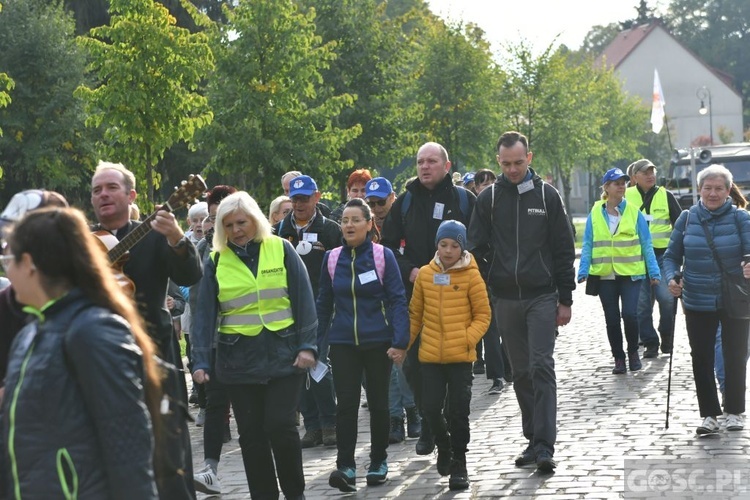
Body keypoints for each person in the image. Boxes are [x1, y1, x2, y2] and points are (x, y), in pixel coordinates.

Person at [1, 207, 161, 499]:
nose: (6, 271)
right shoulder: (30, 334)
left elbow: (128, 444)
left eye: (7, 260)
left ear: (29, 263)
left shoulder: (92, 331)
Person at [191, 191, 317, 500]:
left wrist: (308, 347)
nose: (236, 230)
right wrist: (201, 362)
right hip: (238, 362)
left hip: (284, 355)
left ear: (255, 221)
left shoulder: (282, 249)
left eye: (242, 222)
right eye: (229, 224)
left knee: (281, 426)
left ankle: (294, 493)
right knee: (251, 436)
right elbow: (204, 315)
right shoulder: (216, 260)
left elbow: (304, 300)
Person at [90, 160, 202, 498]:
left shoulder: (155, 234)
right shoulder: (83, 241)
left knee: (169, 444)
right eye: (97, 190)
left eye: (111, 187)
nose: (103, 195)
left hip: (155, 353)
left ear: (131, 194)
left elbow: (189, 277)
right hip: (102, 356)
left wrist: (176, 238)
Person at [467, 131, 575, 472]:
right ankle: (532, 439)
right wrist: (491, 280)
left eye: (518, 162)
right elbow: (475, 245)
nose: (512, 169)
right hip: (506, 299)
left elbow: (562, 248)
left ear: (529, 158)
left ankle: (545, 444)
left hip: (542, 296)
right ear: (498, 161)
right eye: (505, 164)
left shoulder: (547, 196)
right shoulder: (489, 199)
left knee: (542, 366)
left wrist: (565, 298)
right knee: (521, 371)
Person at [381, 141, 476, 456]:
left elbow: (479, 245)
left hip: (457, 301)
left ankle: (444, 422)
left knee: (451, 370)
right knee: (416, 366)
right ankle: (430, 420)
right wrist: (409, 271)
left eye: (432, 161)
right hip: (416, 299)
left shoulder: (464, 200)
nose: (424, 167)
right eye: (420, 162)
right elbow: (389, 247)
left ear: (446, 166)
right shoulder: (405, 203)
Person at [317, 198, 409, 492]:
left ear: (369, 224)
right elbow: (323, 305)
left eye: (356, 219)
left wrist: (399, 340)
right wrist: (314, 345)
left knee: (379, 404)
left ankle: (378, 461)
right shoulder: (331, 259)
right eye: (344, 220)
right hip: (342, 342)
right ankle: (345, 466)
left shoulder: (383, 256)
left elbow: (397, 300)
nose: (348, 225)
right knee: (346, 405)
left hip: (377, 341)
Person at [663, 164, 750, 435]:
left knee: (735, 354)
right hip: (697, 298)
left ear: (728, 191)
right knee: (701, 357)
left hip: (734, 297)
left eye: (719, 188)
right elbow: (670, 256)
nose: (713, 194)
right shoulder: (687, 218)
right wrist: (671, 278)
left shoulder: (740, 219)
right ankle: (709, 415)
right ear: (699, 189)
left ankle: (734, 411)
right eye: (708, 188)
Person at [408, 220, 491, 490]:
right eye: (443, 244)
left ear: (462, 247)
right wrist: (403, 346)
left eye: (454, 245)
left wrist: (466, 338)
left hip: (460, 359)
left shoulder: (471, 275)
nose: (448, 250)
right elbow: (415, 315)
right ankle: (443, 446)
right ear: (436, 245)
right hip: (430, 357)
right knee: (430, 408)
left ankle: (459, 462)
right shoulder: (424, 274)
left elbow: (483, 315)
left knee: (458, 411)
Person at [274, 174, 341, 449]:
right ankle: (312, 426)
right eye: (295, 199)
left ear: (317, 197)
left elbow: (340, 266)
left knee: (320, 365)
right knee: (298, 368)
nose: (299, 204)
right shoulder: (279, 231)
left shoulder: (331, 230)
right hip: (290, 310)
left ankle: (330, 423)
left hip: (323, 308)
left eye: (304, 198)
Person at [578, 168, 661, 374]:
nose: (621, 186)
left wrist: (654, 272)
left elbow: (646, 243)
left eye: (624, 182)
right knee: (612, 318)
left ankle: (633, 352)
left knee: (630, 315)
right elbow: (588, 242)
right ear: (606, 187)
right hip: (605, 274)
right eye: (616, 183)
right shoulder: (596, 212)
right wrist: (583, 269)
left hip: (631, 274)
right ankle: (618, 358)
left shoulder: (634, 212)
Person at [190, 185, 237, 495]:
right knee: (215, 405)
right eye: (212, 218)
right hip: (219, 344)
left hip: (255, 346)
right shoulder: (207, 251)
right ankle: (210, 469)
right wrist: (200, 354)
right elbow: (199, 303)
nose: (214, 224)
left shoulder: (269, 248)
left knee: (260, 416)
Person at [365, 177, 420, 442]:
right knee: (386, 363)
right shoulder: (365, 227)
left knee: (404, 361)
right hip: (376, 302)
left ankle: (412, 412)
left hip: (406, 299)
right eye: (371, 203)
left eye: (381, 201)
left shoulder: (406, 221)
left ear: (392, 198)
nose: (376, 208)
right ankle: (395, 417)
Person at [625, 159, 682, 357]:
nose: (650, 175)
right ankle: (650, 343)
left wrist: (679, 251)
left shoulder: (666, 195)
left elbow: (680, 225)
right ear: (634, 177)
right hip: (636, 256)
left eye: (652, 172)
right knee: (640, 305)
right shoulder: (625, 196)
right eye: (645, 172)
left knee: (667, 299)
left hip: (662, 255)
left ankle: (666, 335)